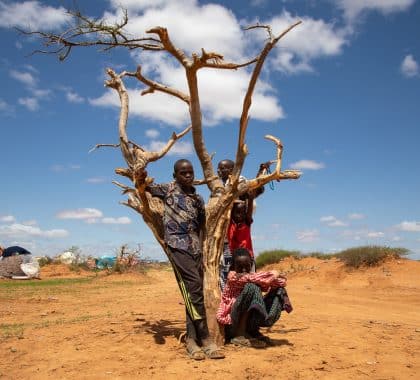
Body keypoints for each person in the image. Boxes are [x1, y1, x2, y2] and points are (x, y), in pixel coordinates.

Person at [145, 159, 225, 360]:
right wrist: (140, 173)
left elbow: (200, 225)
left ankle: (191, 340)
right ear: (175, 176)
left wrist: (201, 249)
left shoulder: (197, 199)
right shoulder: (168, 189)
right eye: (183, 173)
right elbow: (145, 186)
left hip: (195, 248)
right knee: (194, 287)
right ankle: (205, 337)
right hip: (177, 247)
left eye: (190, 172)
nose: (188, 176)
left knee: (192, 292)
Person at [216, 248, 292, 348]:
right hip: (233, 322)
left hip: (249, 319)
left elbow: (281, 282)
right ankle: (239, 334)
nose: (243, 270)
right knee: (252, 287)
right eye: (239, 267)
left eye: (247, 266)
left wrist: (272, 279)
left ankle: (254, 331)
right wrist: (274, 274)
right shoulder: (233, 276)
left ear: (251, 265)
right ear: (233, 266)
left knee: (279, 290)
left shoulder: (253, 276)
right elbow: (253, 279)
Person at [217, 159, 269, 289]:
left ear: (233, 170)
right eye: (219, 168)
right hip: (224, 239)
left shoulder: (240, 183)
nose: (220, 171)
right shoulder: (218, 187)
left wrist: (261, 172)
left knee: (246, 273)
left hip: (243, 249)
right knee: (228, 273)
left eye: (224, 168)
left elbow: (254, 189)